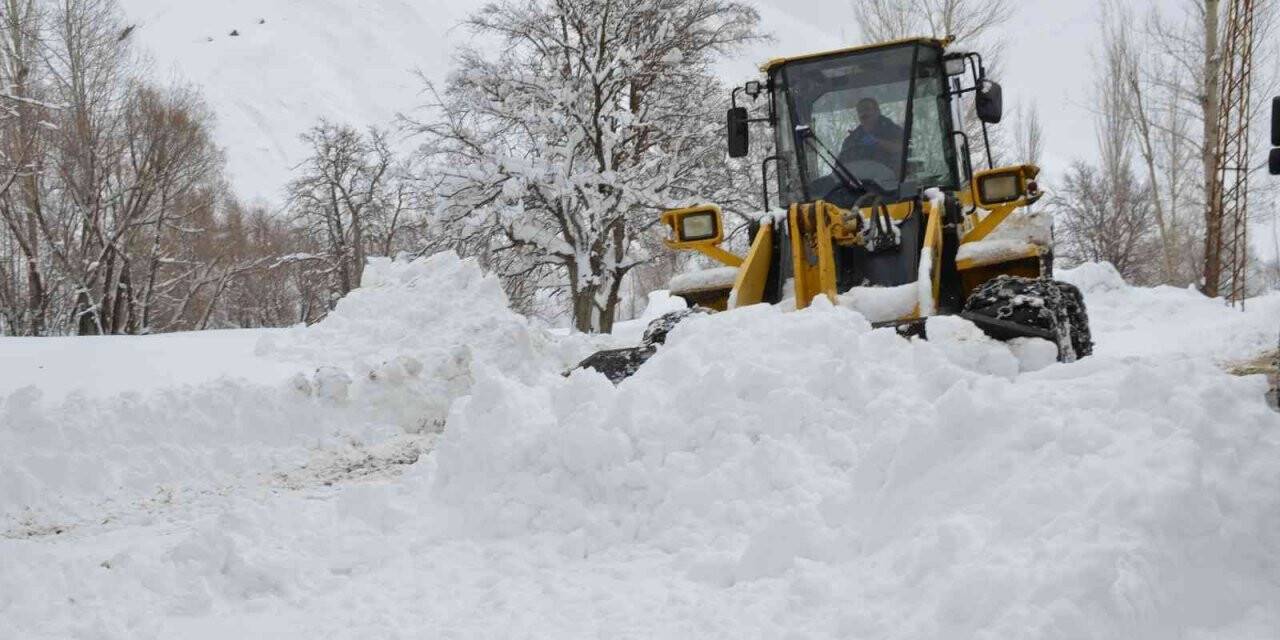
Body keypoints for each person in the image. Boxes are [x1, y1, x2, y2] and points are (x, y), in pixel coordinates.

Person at [838, 98, 904, 172]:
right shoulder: (851, 140)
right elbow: (840, 167)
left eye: (867, 109)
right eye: (860, 111)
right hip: (859, 180)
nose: (863, 114)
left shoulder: (894, 131)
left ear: (877, 112)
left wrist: (878, 142)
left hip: (891, 180)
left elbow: (902, 151)